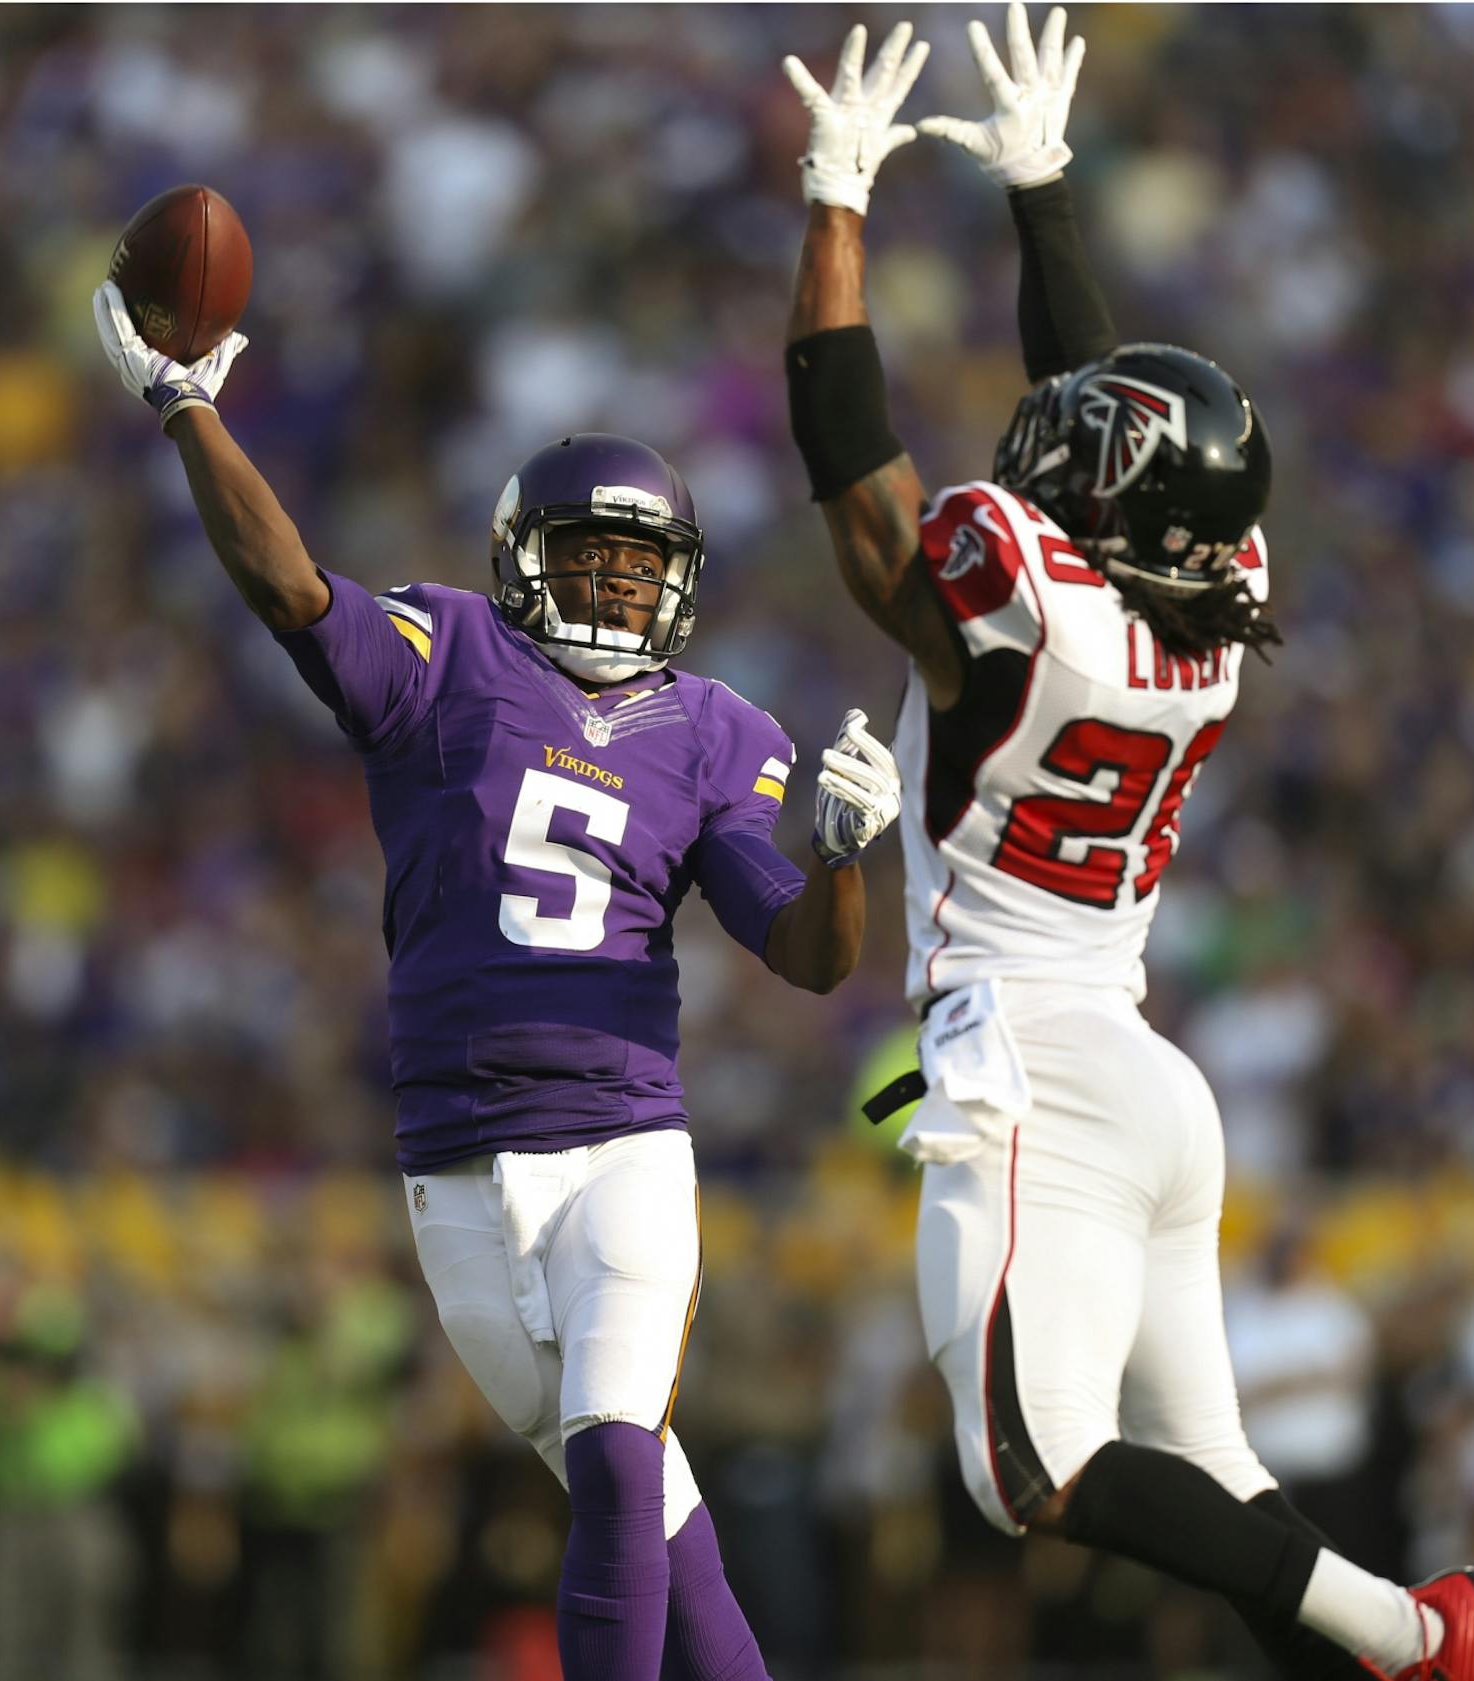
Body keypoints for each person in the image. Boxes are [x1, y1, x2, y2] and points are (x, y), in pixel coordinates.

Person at [779, 10, 1474, 1679]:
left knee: (1026, 1465)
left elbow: (859, 489)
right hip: (1142, 1079)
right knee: (1235, 1500)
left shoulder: (1024, 606)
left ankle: (1422, 1631)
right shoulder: (1213, 599)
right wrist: (1043, 194)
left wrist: (835, 200)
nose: (1052, 456)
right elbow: (1105, 420)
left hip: (1037, 1072)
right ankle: (1393, 1643)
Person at [93, 280, 903, 1680]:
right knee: (658, 1514)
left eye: (643, 567)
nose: (617, 586)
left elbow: (805, 955)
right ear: (528, 559)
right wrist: (190, 410)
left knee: (612, 1466)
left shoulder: (715, 732)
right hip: (454, 1163)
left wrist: (840, 859)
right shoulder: (446, 652)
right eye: (591, 558)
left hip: (621, 1146)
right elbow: (290, 584)